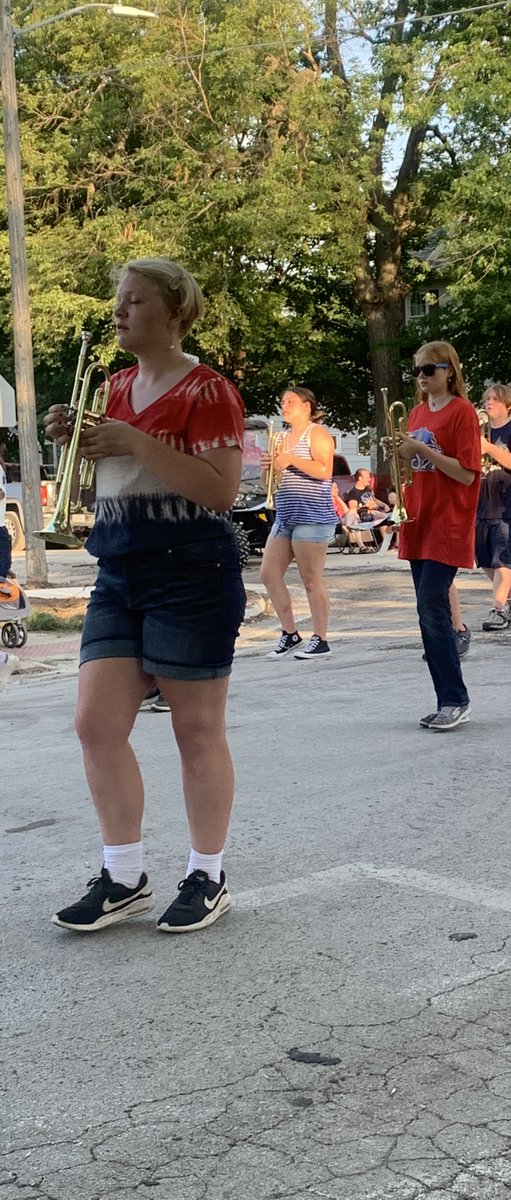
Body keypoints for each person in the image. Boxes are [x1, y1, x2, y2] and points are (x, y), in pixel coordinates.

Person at [46, 257, 246, 934]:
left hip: (191, 571)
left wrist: (134, 440)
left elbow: (220, 490)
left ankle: (207, 875)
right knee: (95, 725)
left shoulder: (208, 389)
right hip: (119, 568)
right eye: (119, 300)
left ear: (175, 311)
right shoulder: (115, 386)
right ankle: (124, 876)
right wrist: (78, 444)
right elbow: (101, 484)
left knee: (196, 729)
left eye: (134, 300)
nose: (119, 310)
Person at [392, 340, 480, 730]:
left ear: (450, 371)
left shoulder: (462, 412)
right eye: (417, 370)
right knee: (426, 610)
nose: (422, 377)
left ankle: (455, 699)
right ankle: (447, 698)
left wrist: (421, 450)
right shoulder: (415, 413)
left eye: (429, 369)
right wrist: (400, 452)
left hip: (448, 520)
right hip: (419, 518)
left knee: (431, 607)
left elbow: (467, 473)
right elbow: (412, 468)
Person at [260, 387, 335, 659]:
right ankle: (290, 633)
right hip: (285, 515)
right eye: (282, 401)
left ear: (307, 406)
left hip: (312, 516)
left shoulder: (317, 433)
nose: (284, 405)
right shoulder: (281, 438)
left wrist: (290, 459)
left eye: (290, 401)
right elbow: (268, 483)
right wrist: (268, 468)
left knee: (311, 579)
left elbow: (324, 470)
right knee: (268, 574)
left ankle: (320, 638)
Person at [476, 384, 511, 630]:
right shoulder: (479, 430)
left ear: (508, 405)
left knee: (502, 559)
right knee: (485, 559)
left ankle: (498, 609)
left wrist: (489, 448)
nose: (489, 402)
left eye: (495, 399)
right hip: (481, 503)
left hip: (508, 504)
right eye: (487, 398)